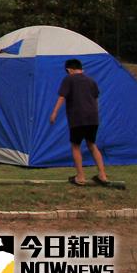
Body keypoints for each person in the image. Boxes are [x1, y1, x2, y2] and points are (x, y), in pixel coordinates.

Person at [49, 58, 109, 186]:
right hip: (93, 118)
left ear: (69, 70)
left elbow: (62, 97)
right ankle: (102, 175)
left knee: (75, 146)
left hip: (77, 118)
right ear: (81, 68)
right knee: (92, 145)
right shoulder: (91, 81)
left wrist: (54, 113)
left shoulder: (69, 79)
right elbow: (96, 99)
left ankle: (80, 177)